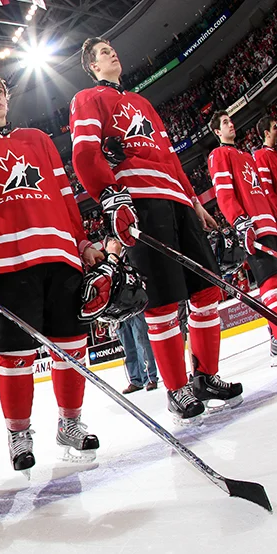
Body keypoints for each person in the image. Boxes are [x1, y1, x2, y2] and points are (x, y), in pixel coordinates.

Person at [71, 38, 239, 424]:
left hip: (177, 202)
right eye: (102, 52)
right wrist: (110, 196)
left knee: (206, 289)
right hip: (140, 203)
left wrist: (194, 200)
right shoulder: (88, 98)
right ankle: (176, 389)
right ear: (92, 66)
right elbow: (83, 154)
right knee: (162, 301)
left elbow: (169, 156)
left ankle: (206, 377)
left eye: (113, 47)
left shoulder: (144, 104)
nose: (112, 52)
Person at [0, 72, 105, 473]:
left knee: (70, 347)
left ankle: (69, 424)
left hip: (60, 253)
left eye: (1, 92)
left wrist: (81, 240)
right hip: (6, 260)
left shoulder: (39, 139)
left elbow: (66, 195)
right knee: (14, 355)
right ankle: (19, 433)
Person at [209, 110, 277, 368]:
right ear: (217, 132)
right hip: (254, 226)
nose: (231, 124)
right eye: (225, 123)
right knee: (271, 285)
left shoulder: (246, 156)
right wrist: (239, 220)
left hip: (270, 224)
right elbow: (224, 193)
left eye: (230, 120)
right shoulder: (218, 155)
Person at [106, 238, 159, 392]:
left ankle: (150, 376)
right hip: (118, 310)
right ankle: (135, 379)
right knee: (127, 346)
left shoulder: (130, 255)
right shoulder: (108, 261)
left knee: (141, 340)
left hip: (134, 305)